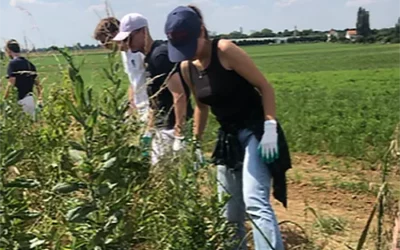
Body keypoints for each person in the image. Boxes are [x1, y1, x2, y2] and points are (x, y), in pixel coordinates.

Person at [164, 5, 292, 250]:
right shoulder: (186, 67)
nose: (187, 53)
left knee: (254, 200)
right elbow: (202, 107)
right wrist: (194, 144)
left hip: (256, 130)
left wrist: (270, 127)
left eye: (190, 45)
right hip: (228, 137)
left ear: (201, 31)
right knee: (229, 209)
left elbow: (265, 87)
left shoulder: (224, 50)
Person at [112, 13, 195, 166]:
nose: (127, 44)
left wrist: (179, 133)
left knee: (167, 174)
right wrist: (148, 131)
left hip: (171, 127)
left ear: (143, 32)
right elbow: (155, 99)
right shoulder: (149, 58)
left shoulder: (160, 56)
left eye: (129, 38)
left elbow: (179, 95)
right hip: (160, 127)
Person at [93, 17, 152, 153]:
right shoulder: (124, 54)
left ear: (114, 35)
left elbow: (152, 81)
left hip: (150, 108)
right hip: (139, 108)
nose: (103, 45)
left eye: (104, 41)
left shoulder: (138, 52)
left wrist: (150, 113)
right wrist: (130, 107)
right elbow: (133, 82)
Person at [4, 39, 42, 118]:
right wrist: (39, 98)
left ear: (8, 50)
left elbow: (11, 83)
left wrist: (5, 98)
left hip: (18, 100)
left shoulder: (12, 64)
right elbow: (38, 84)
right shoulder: (30, 64)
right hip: (29, 99)